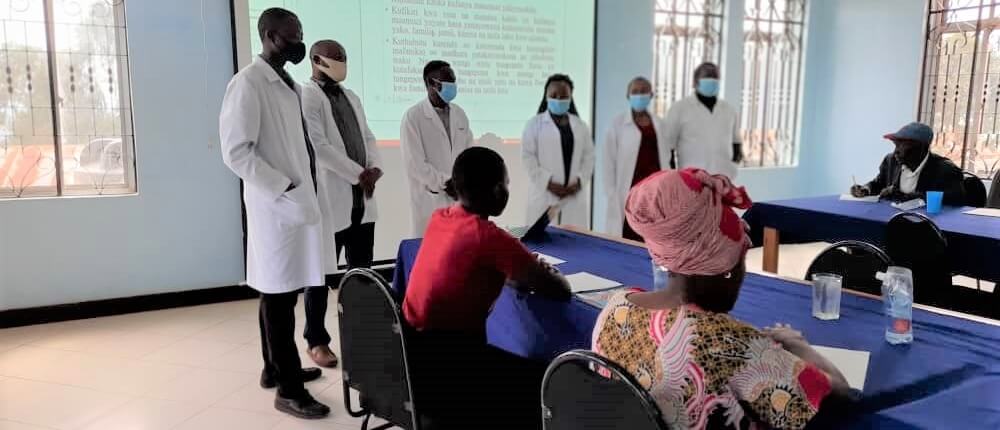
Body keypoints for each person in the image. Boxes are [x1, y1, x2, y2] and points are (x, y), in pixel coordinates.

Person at [592, 168, 851, 429]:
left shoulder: (615, 309)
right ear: (724, 269)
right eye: (739, 262)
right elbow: (837, 394)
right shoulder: (732, 344)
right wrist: (797, 344)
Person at [402, 147, 572, 429]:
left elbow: (474, 266)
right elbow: (559, 289)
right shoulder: (489, 237)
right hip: (454, 373)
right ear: (495, 191)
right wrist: (534, 268)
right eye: (506, 184)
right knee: (547, 379)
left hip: (415, 360)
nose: (507, 190)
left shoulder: (440, 218)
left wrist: (512, 269)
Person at [218, 7, 329, 419]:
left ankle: (273, 367)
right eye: (290, 36)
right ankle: (289, 389)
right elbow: (235, 151)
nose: (298, 43)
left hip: (294, 204)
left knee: (280, 290)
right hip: (275, 206)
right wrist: (284, 186)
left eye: (300, 34)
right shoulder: (247, 83)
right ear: (267, 35)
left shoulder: (290, 84)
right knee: (279, 296)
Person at [300, 40, 383, 368]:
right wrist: (358, 174)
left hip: (362, 200)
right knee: (320, 274)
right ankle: (316, 340)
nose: (342, 62)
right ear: (317, 60)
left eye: (345, 57)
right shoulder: (307, 95)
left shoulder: (352, 96)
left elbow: (369, 137)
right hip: (332, 198)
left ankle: (359, 335)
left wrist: (374, 168)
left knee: (361, 272)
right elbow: (318, 145)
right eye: (336, 58)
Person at [400, 60, 475, 237]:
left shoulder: (460, 114)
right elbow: (415, 163)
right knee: (431, 253)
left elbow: (469, 154)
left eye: (454, 81)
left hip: (459, 198)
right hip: (430, 198)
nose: (452, 86)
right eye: (447, 82)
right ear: (430, 84)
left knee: (459, 249)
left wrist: (463, 182)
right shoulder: (413, 117)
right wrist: (446, 183)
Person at [522, 74, 595, 228]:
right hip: (544, 195)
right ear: (546, 97)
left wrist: (579, 182)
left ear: (570, 98)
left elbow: (589, 157)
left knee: (575, 241)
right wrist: (548, 184)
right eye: (554, 95)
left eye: (563, 96)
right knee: (541, 244)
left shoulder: (580, 126)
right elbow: (528, 158)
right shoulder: (534, 125)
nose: (558, 99)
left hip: (574, 194)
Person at [603, 76, 671, 240]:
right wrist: (611, 194)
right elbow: (608, 162)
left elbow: (666, 158)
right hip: (628, 191)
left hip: (654, 192)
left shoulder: (660, 124)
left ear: (651, 95)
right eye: (635, 92)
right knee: (627, 235)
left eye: (643, 91)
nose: (639, 95)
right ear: (628, 95)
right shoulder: (617, 124)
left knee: (652, 236)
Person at [850, 122, 965, 205]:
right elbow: (879, 183)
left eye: (901, 145)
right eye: (895, 145)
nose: (896, 151)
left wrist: (910, 197)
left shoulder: (945, 169)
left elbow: (956, 199)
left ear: (921, 148)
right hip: (892, 221)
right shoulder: (891, 161)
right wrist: (865, 189)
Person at [663, 62, 743, 179]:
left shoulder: (729, 110)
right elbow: (667, 148)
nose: (711, 80)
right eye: (706, 77)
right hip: (691, 180)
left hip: (723, 179)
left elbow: (736, 144)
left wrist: (732, 167)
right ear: (695, 82)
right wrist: (673, 178)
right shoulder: (679, 109)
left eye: (714, 77)